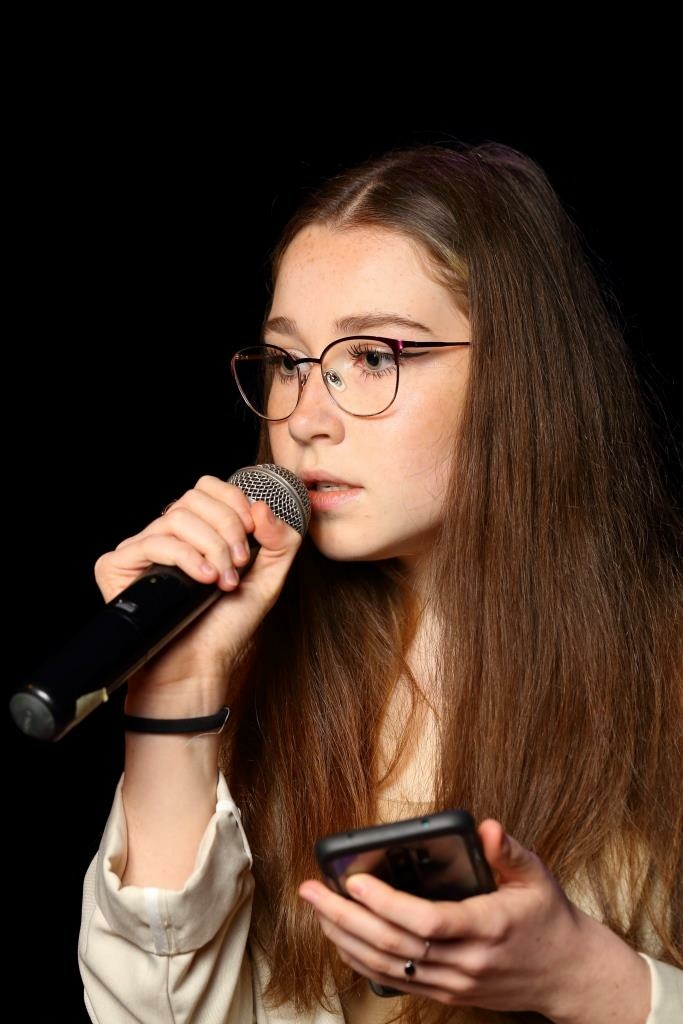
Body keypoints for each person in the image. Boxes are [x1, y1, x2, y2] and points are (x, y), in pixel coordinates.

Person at [78, 141, 682, 1024]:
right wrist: (175, 692)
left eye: (372, 356)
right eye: (288, 362)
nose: (307, 418)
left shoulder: (662, 668)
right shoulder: (251, 673)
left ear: (521, 372)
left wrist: (587, 980)